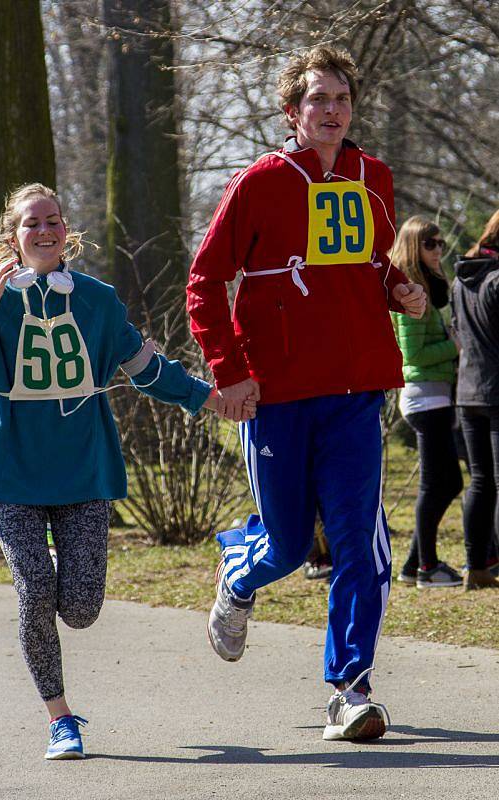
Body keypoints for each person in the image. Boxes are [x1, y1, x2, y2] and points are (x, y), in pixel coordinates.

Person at [0, 182, 255, 761]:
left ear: (66, 232)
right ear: (14, 238)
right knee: (35, 594)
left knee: (80, 610)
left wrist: (213, 399)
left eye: (53, 220)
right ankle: (61, 720)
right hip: (11, 469)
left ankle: (55, 567)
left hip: (83, 468)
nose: (45, 231)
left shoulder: (98, 301)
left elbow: (147, 369)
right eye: (32, 224)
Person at [187, 45, 426, 742]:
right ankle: (239, 572)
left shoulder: (370, 174)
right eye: (317, 100)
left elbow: (373, 266)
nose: (331, 111)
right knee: (289, 545)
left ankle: (348, 688)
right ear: (292, 113)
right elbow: (205, 282)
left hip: (355, 389)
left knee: (359, 541)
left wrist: (399, 291)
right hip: (276, 393)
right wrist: (228, 370)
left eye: (341, 99)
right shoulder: (260, 183)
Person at [390, 217, 463, 588]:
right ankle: (426, 568)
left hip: (438, 395)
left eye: (440, 244)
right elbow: (413, 354)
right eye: (430, 244)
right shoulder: (408, 288)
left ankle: (413, 565)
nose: (438, 251)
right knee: (440, 484)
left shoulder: (429, 286)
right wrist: (455, 346)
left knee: (446, 482)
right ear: (413, 247)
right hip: (424, 397)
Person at [452, 209, 499, 591]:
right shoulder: (497, 280)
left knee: (481, 481)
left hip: (467, 392)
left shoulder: (462, 278)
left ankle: (475, 567)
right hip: (497, 391)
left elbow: (456, 330)